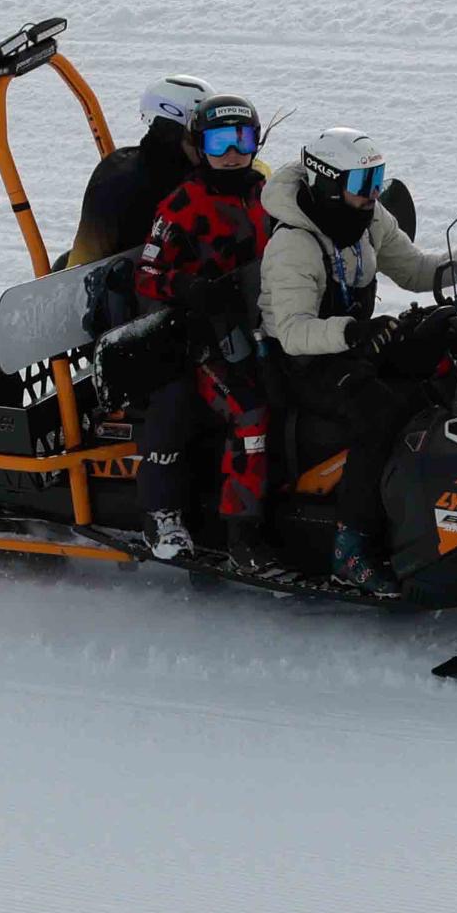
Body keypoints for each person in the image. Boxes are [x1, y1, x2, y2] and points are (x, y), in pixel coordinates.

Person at [256, 124, 457, 586]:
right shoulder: (293, 243)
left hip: (352, 344)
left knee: (447, 350)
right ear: (328, 183)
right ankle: (350, 547)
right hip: (303, 364)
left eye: (377, 180)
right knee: (382, 413)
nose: (373, 194)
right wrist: (353, 332)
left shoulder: (366, 219)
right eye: (361, 185)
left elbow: (412, 269)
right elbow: (292, 333)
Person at [123, 92, 276, 564]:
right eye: (219, 141)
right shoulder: (183, 205)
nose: (232, 153)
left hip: (259, 329)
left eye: (242, 139)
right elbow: (146, 274)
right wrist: (191, 289)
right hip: (199, 344)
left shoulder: (264, 195)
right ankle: (238, 532)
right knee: (249, 412)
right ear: (199, 145)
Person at [68, 75, 215, 269]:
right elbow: (84, 262)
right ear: (171, 131)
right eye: (200, 134)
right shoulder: (123, 182)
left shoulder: (207, 168)